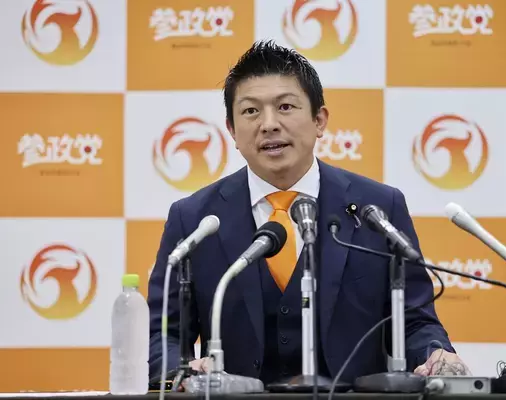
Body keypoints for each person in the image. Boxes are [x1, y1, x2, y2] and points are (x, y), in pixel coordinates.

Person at [147, 39, 470, 385]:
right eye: (251, 111)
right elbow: (163, 334)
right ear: (232, 131)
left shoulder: (378, 208)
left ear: (319, 120)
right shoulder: (195, 219)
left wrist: (435, 354)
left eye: (285, 107)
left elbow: (415, 321)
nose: (269, 124)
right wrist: (182, 371)